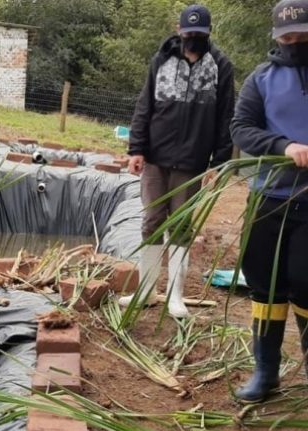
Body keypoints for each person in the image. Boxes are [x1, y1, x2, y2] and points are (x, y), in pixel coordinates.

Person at [119, 4, 235, 318]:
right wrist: (136, 149)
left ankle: (175, 295)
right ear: (179, 29)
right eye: (189, 32)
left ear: (208, 34)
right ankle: (146, 291)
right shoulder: (161, 60)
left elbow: (227, 118)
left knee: (181, 226)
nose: (193, 38)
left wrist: (219, 163)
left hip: (193, 162)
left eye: (200, 34)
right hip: (156, 157)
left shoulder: (221, 66)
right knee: (152, 223)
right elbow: (145, 105)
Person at [230, 0, 308, 403]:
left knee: (307, 281)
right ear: (277, 37)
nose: (295, 43)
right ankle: (266, 372)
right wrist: (284, 145)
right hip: (270, 196)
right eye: (288, 37)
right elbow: (242, 128)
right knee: (265, 281)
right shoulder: (262, 78)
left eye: (303, 36)